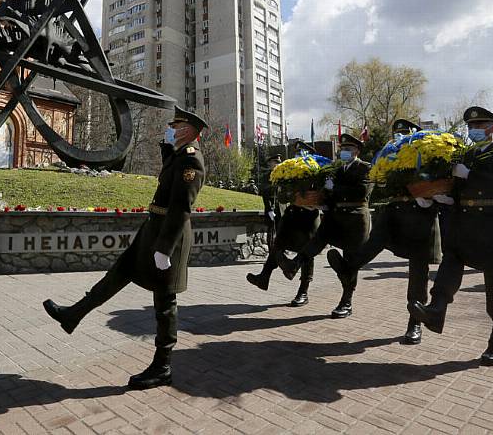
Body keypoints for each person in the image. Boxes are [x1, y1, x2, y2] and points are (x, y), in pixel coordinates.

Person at [42, 106, 207, 389]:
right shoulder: (178, 156)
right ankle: (73, 315)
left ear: (188, 131)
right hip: (152, 231)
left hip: (170, 237)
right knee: (117, 274)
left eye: (175, 125)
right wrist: (167, 150)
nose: (170, 129)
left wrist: (165, 249)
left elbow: (181, 208)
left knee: (165, 303)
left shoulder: (191, 161)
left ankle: (162, 366)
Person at [409, 106, 493, 366]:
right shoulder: (465, 155)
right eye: (471, 127)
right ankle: (436, 309)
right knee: (451, 260)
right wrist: (442, 198)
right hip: (464, 222)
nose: (474, 130)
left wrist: (470, 175)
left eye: (480, 125)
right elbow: (459, 189)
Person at [327, 119, 442, 344]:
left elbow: (440, 182)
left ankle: (414, 324)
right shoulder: (390, 156)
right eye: (397, 133)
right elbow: (382, 186)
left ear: (416, 135)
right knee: (372, 243)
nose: (400, 137)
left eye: (405, 133)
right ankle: (348, 268)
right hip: (396, 210)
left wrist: (429, 197)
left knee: (418, 273)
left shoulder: (429, 153)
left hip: (421, 214)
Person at [279, 134, 372, 318]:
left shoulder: (365, 168)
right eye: (343, 149)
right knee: (316, 241)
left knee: (350, 263)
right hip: (335, 217)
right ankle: (294, 264)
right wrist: (323, 201)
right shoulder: (337, 170)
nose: (344, 152)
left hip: (355, 219)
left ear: (357, 151)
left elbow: (361, 191)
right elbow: (329, 193)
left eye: (348, 149)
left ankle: (346, 301)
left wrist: (334, 189)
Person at [247, 142, 322, 306]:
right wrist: (286, 189)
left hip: (309, 218)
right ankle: (265, 277)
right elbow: (281, 197)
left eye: (302, 153)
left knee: (307, 254)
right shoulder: (290, 173)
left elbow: (324, 196)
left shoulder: (319, 173)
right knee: (277, 246)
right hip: (292, 216)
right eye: (297, 153)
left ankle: (303, 291)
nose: (298, 156)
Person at [259, 153, 283, 248]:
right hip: (272, 207)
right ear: (270, 163)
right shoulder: (266, 177)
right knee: (271, 231)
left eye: (278, 162)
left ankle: (280, 251)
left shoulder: (282, 175)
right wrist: (269, 209)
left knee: (281, 231)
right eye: (275, 162)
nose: (277, 164)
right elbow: (265, 194)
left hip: (281, 207)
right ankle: (271, 252)